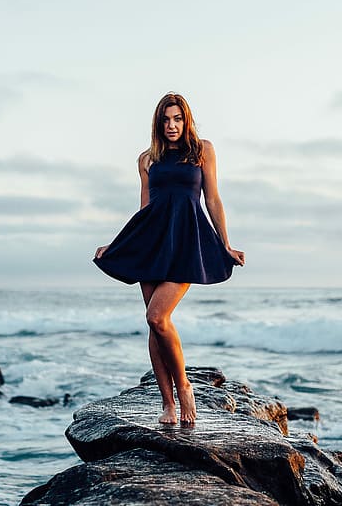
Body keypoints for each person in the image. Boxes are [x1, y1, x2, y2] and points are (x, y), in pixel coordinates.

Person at [93, 92, 245, 425]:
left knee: (158, 317)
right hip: (152, 242)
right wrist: (118, 244)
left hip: (188, 241)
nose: (172, 125)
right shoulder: (147, 159)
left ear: (186, 119)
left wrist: (226, 244)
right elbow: (145, 210)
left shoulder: (203, 150)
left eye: (177, 118)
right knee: (153, 322)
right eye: (166, 120)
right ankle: (168, 404)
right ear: (158, 124)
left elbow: (213, 200)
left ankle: (185, 388)